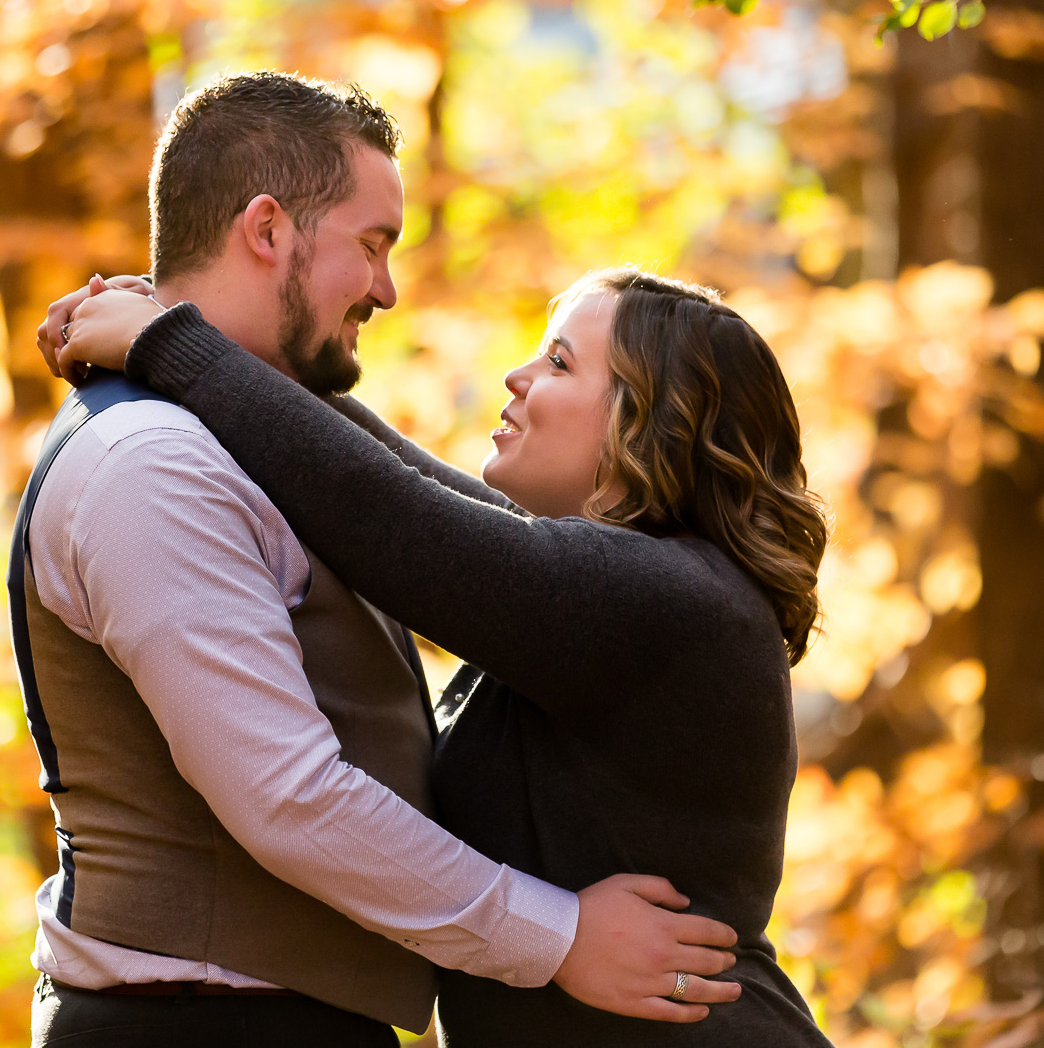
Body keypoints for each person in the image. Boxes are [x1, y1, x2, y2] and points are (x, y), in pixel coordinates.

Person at [15, 71, 742, 1048]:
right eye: (373, 245)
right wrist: (561, 937)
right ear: (268, 231)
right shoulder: (153, 466)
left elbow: (447, 535)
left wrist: (169, 336)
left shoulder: (248, 440)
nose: (389, 290)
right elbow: (290, 798)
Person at [52, 259, 835, 1047]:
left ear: (654, 423)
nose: (516, 375)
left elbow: (387, 515)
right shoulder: (605, 608)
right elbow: (394, 480)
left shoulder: (673, 603)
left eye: (559, 361)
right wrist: (177, 323)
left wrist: (167, 341)